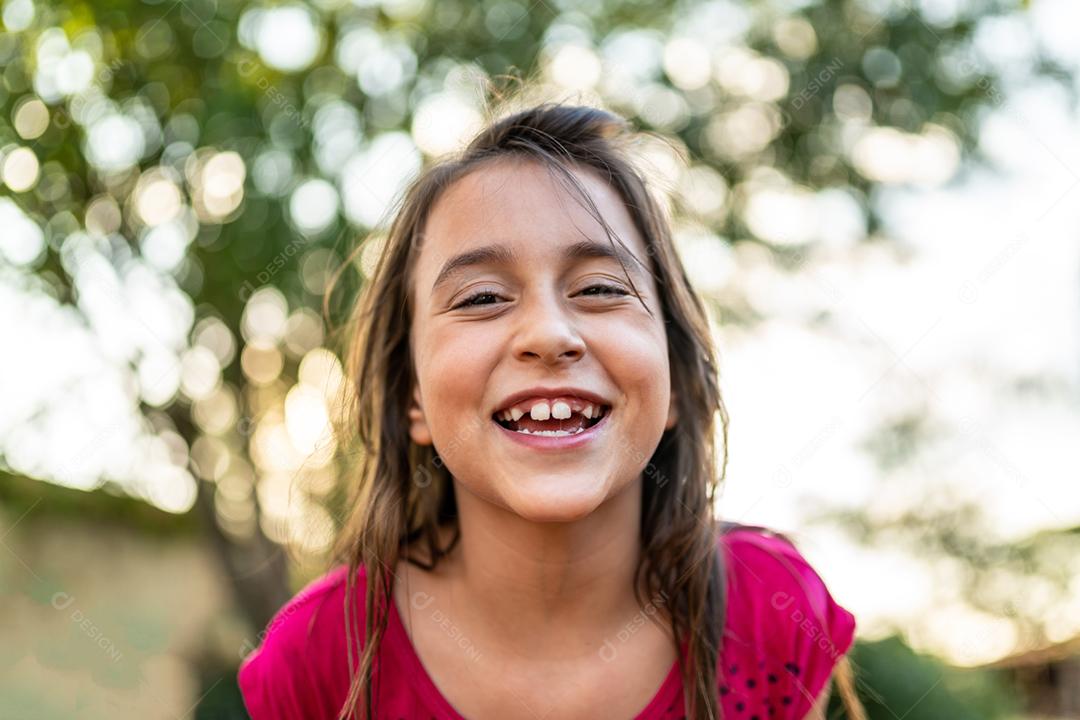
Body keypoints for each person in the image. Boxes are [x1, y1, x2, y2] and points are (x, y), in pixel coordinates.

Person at [237, 101, 866, 720]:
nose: (548, 332)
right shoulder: (320, 656)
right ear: (413, 399)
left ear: (671, 379)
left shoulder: (764, 611)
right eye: (482, 297)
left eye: (599, 288)